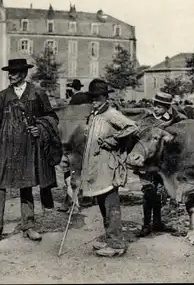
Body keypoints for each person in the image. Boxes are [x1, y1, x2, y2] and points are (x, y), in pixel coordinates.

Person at [0, 59, 62, 245]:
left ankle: (28, 226)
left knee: (27, 185)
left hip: (27, 147)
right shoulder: (2, 96)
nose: (10, 75)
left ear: (23, 74)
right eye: (9, 72)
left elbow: (52, 117)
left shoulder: (37, 93)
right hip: (4, 147)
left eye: (14, 72)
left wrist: (40, 127)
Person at [82, 78, 138, 257]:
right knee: (101, 200)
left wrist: (113, 141)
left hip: (108, 164)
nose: (94, 100)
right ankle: (109, 237)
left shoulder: (111, 113)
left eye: (97, 97)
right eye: (92, 97)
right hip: (96, 166)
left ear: (105, 97)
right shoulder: (94, 114)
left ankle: (116, 243)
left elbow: (132, 127)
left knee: (110, 201)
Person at [135, 92, 187, 237]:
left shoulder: (176, 121)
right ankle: (146, 224)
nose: (156, 109)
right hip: (148, 162)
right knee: (148, 192)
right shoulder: (147, 120)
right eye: (155, 106)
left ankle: (157, 222)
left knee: (160, 192)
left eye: (159, 107)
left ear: (166, 107)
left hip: (165, 163)